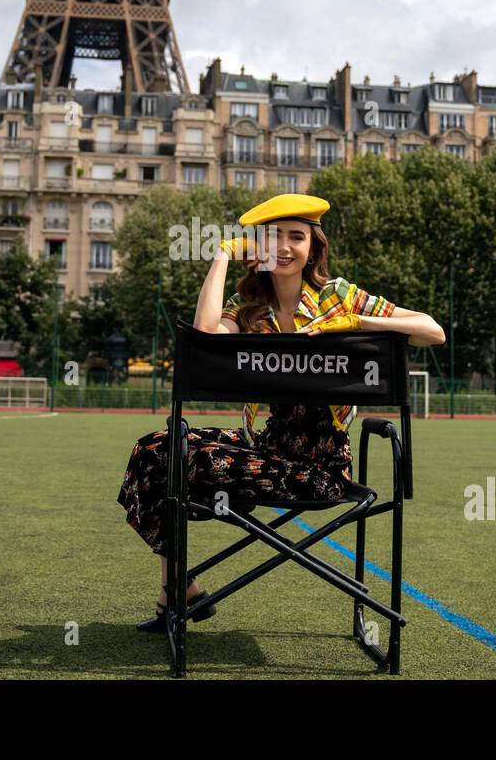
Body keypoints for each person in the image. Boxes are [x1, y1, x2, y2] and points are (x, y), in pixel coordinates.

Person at [116, 194, 446, 632]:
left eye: (297, 237)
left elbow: (432, 331)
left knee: (184, 457)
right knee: (155, 449)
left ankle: (173, 596)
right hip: (264, 449)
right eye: (273, 237)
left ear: (314, 247)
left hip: (318, 470)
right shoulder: (249, 309)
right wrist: (220, 256)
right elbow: (204, 335)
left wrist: (356, 323)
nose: (286, 247)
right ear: (256, 248)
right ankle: (179, 588)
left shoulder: (338, 297)